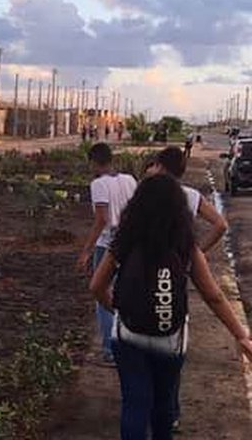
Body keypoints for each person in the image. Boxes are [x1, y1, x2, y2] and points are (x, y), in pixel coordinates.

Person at [90, 175, 252, 440]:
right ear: (178, 210)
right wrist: (241, 335)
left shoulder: (124, 241)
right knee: (163, 405)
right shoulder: (185, 246)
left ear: (137, 205)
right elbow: (213, 296)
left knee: (134, 403)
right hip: (170, 339)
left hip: (128, 336)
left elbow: (96, 286)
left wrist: (118, 311)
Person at [144, 146, 229, 429]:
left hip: (145, 275)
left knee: (142, 343)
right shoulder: (191, 196)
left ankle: (147, 408)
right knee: (173, 342)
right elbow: (220, 225)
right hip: (176, 276)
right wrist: (196, 254)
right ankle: (171, 413)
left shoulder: (146, 193)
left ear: (159, 166)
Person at [77, 142, 137, 364]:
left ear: (93, 162)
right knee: (125, 293)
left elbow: (101, 219)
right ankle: (127, 341)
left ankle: (110, 350)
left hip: (107, 246)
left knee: (102, 294)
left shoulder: (99, 185)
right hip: (129, 244)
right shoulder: (130, 180)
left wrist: (86, 251)